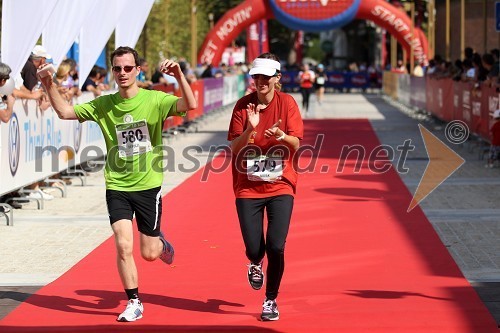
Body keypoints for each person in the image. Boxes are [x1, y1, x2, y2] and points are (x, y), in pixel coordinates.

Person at [38, 46, 197, 322]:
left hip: (148, 185)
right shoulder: (104, 105)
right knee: (123, 245)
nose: (122, 73)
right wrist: (47, 84)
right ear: (113, 71)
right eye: (117, 68)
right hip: (117, 185)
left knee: (148, 253)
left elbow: (189, 104)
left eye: (127, 68)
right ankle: (134, 300)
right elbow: (64, 112)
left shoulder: (155, 100)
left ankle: (162, 246)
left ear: (138, 70)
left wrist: (180, 76)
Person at [227, 53, 303, 321]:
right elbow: (234, 149)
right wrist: (250, 129)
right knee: (254, 248)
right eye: (256, 76)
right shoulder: (242, 106)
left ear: (276, 79)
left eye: (265, 77)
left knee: (276, 246)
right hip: (247, 186)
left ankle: (270, 300)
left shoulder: (287, 103)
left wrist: (282, 136)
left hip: (281, 184)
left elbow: (296, 144)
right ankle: (254, 262)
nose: (260, 81)